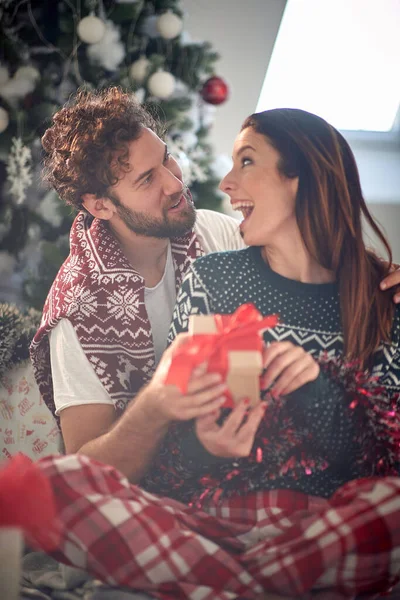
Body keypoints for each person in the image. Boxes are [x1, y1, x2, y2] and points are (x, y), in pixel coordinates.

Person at [33, 108, 400, 600]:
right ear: (100, 205)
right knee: (61, 487)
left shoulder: (211, 235)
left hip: (329, 513)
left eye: (166, 161)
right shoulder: (85, 313)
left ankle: (238, 583)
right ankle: (266, 581)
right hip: (221, 510)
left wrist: (374, 281)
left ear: (304, 177)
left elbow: (379, 460)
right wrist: (184, 426)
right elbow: (96, 469)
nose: (175, 183)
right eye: (147, 178)